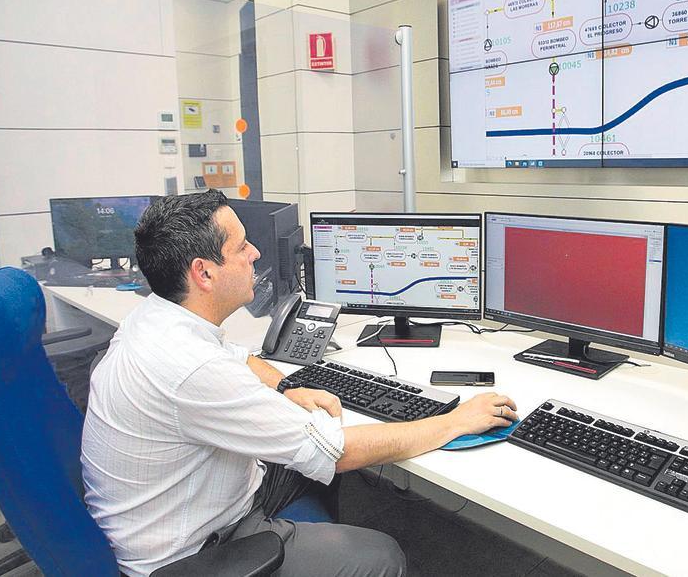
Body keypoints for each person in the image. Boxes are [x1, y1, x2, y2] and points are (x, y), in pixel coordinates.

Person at [80, 191, 519, 577]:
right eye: (241, 246)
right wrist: (456, 420)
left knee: (311, 468)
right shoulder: (191, 370)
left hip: (187, 506)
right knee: (381, 554)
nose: (255, 253)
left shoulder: (157, 317)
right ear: (204, 273)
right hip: (193, 554)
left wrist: (287, 388)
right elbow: (338, 451)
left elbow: (235, 356)